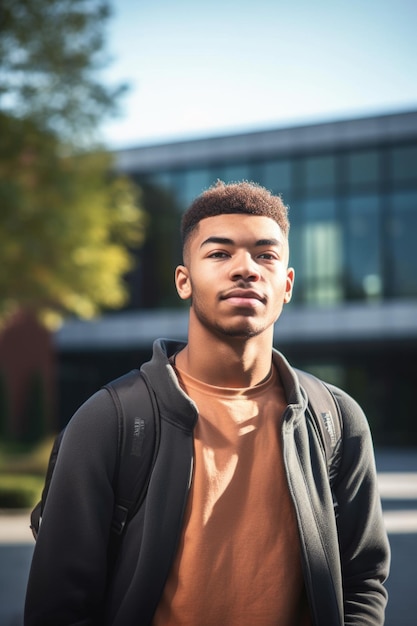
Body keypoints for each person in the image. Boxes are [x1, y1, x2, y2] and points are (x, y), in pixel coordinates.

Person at [24, 181, 390, 626]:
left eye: (266, 255)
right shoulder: (110, 421)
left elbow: (363, 579)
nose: (246, 269)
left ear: (287, 283)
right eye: (219, 254)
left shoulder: (335, 420)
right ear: (184, 280)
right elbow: (58, 605)